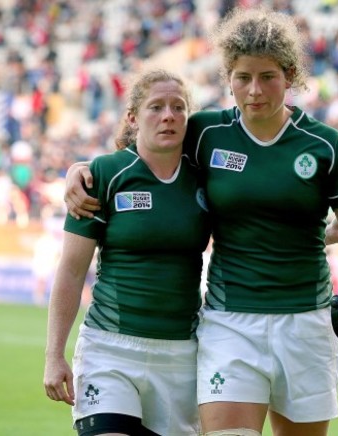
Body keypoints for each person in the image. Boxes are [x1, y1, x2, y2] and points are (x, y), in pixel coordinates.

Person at [65, 7, 338, 436]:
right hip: (229, 323)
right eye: (242, 77)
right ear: (228, 77)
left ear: (289, 75)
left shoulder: (326, 146)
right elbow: (144, 149)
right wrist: (82, 169)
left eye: (267, 77)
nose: (254, 90)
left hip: (306, 323)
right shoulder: (206, 132)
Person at [43, 69, 211, 436]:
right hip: (110, 349)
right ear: (133, 117)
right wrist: (54, 355)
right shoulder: (105, 173)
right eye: (156, 107)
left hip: (181, 355)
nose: (168, 115)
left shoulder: (206, 179)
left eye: (178, 107)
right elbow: (71, 272)